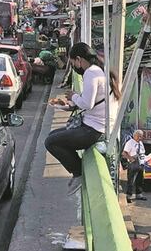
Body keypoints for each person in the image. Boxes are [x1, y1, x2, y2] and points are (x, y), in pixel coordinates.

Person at [45, 42, 120, 191]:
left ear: (79, 59)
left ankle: (78, 172)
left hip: (94, 130)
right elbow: (92, 101)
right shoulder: (98, 70)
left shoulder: (91, 73)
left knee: (51, 142)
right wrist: (69, 104)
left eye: (73, 63)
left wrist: (73, 96)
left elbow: (87, 104)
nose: (74, 67)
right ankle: (77, 170)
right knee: (53, 136)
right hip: (96, 126)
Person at [122, 130, 147, 202]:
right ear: (134, 136)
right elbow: (124, 153)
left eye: (141, 136)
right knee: (131, 180)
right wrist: (131, 159)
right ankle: (129, 196)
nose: (139, 138)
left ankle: (139, 194)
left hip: (141, 162)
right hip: (133, 163)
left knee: (140, 179)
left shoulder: (140, 143)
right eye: (138, 136)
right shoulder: (130, 143)